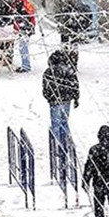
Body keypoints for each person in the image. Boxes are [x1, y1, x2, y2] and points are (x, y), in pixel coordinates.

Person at [43, 49, 79, 179]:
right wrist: (75, 98)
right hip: (66, 101)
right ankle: (66, 142)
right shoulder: (69, 71)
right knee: (64, 122)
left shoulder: (49, 72)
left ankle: (58, 145)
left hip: (54, 102)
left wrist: (50, 98)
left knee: (55, 124)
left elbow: (45, 89)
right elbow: (75, 85)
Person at [53, 0, 91, 70]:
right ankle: (74, 63)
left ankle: (65, 62)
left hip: (64, 25)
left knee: (64, 44)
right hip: (75, 24)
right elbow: (80, 7)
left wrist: (60, 21)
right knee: (74, 44)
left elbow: (56, 13)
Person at [11, 0, 36, 72]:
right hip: (27, 27)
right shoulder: (23, 2)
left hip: (25, 28)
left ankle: (26, 67)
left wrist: (18, 27)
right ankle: (25, 65)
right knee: (22, 47)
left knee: (23, 47)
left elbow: (18, 17)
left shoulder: (20, 4)